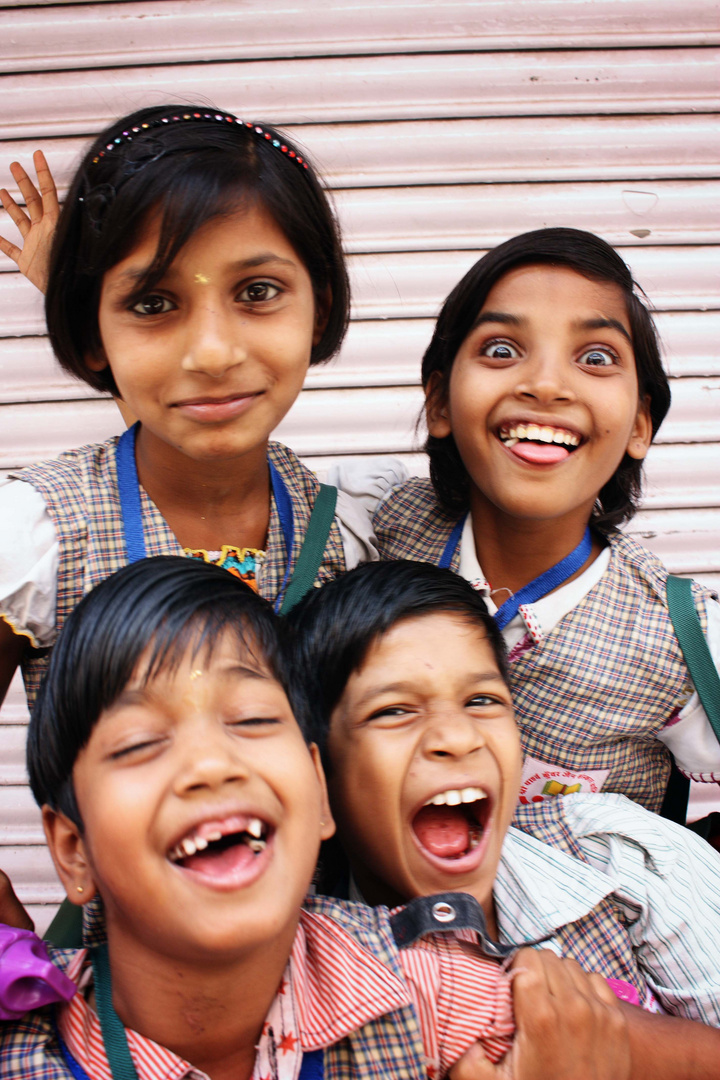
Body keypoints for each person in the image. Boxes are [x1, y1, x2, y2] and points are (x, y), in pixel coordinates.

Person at [0, 556, 629, 1080]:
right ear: (73, 850)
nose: (212, 765)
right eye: (139, 743)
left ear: (320, 796)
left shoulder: (429, 990)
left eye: (250, 719)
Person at [0, 105, 384, 713]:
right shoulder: (34, 537)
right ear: (93, 335)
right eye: (153, 303)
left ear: (320, 306)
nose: (212, 354)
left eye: (258, 292)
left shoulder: (349, 531)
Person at [288, 559, 720, 1077]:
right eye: (394, 711)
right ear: (318, 771)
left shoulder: (628, 860)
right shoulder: (295, 968)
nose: (458, 737)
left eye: (482, 700)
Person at [367, 228, 720, 824]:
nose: (547, 385)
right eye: (502, 350)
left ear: (640, 425)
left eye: (597, 357)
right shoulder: (375, 530)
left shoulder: (684, 639)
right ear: (441, 402)